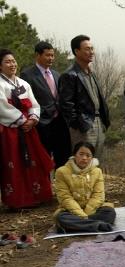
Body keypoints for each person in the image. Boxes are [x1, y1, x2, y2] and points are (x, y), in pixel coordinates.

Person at [0, 49, 54, 209]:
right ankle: (17, 200)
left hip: (28, 129)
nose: (12, 64)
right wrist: (22, 120)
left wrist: (32, 119)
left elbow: (35, 104)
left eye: (13, 61)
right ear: (0, 66)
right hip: (11, 131)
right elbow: (2, 107)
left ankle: (37, 196)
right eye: (8, 62)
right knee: (14, 163)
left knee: (33, 161)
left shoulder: (24, 84)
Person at [20, 41, 71, 169]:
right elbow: (26, 100)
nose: (51, 58)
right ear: (38, 55)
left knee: (63, 159)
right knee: (43, 159)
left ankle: (61, 187)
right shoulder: (27, 75)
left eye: (52, 55)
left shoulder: (56, 74)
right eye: (47, 55)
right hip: (42, 124)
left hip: (59, 122)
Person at [59, 35, 110, 159]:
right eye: (87, 49)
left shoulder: (91, 73)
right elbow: (66, 104)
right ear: (77, 51)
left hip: (98, 122)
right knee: (82, 161)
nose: (91, 52)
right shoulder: (70, 75)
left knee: (96, 161)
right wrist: (78, 124)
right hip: (83, 125)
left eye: (92, 48)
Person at [54, 142, 115, 232]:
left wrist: (85, 214)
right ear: (75, 155)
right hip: (70, 211)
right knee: (61, 217)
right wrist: (81, 215)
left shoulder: (97, 171)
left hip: (92, 210)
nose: (84, 158)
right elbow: (65, 198)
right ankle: (97, 225)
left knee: (109, 213)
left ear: (92, 158)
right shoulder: (61, 172)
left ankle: (78, 226)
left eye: (88, 155)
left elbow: (98, 195)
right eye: (81, 154)